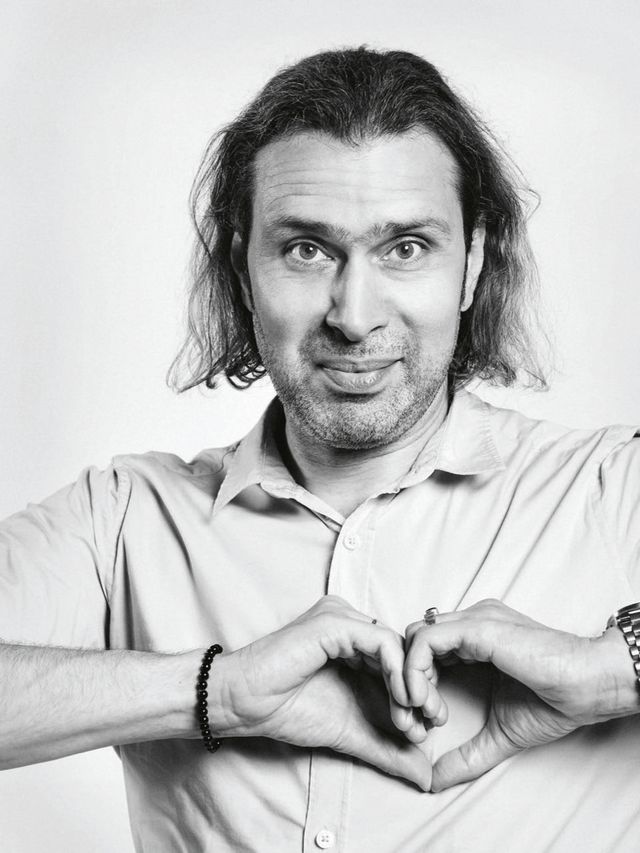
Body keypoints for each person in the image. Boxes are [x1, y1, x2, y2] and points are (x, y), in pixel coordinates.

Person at [1, 46, 639, 852]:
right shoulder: (124, 518)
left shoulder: (613, 487)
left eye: (406, 247)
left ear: (473, 264)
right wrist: (216, 691)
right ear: (243, 269)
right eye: (307, 248)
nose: (354, 314)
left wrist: (613, 668)